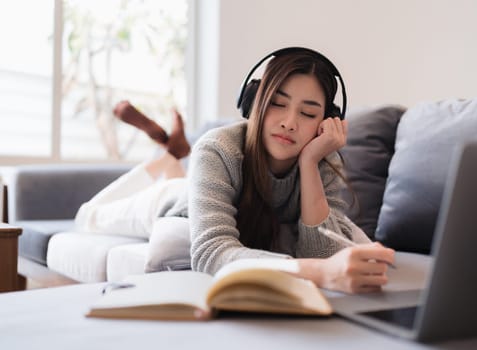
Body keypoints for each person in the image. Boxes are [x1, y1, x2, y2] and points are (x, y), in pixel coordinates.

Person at [75, 47, 395, 295]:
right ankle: (169, 161)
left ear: (325, 122)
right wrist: (320, 274)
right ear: (255, 102)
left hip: (205, 183)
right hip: (174, 201)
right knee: (88, 216)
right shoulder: (219, 148)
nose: (289, 122)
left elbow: (321, 251)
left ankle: (173, 160)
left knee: (179, 174)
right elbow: (211, 254)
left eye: (308, 113)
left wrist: (310, 163)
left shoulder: (323, 160)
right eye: (277, 104)